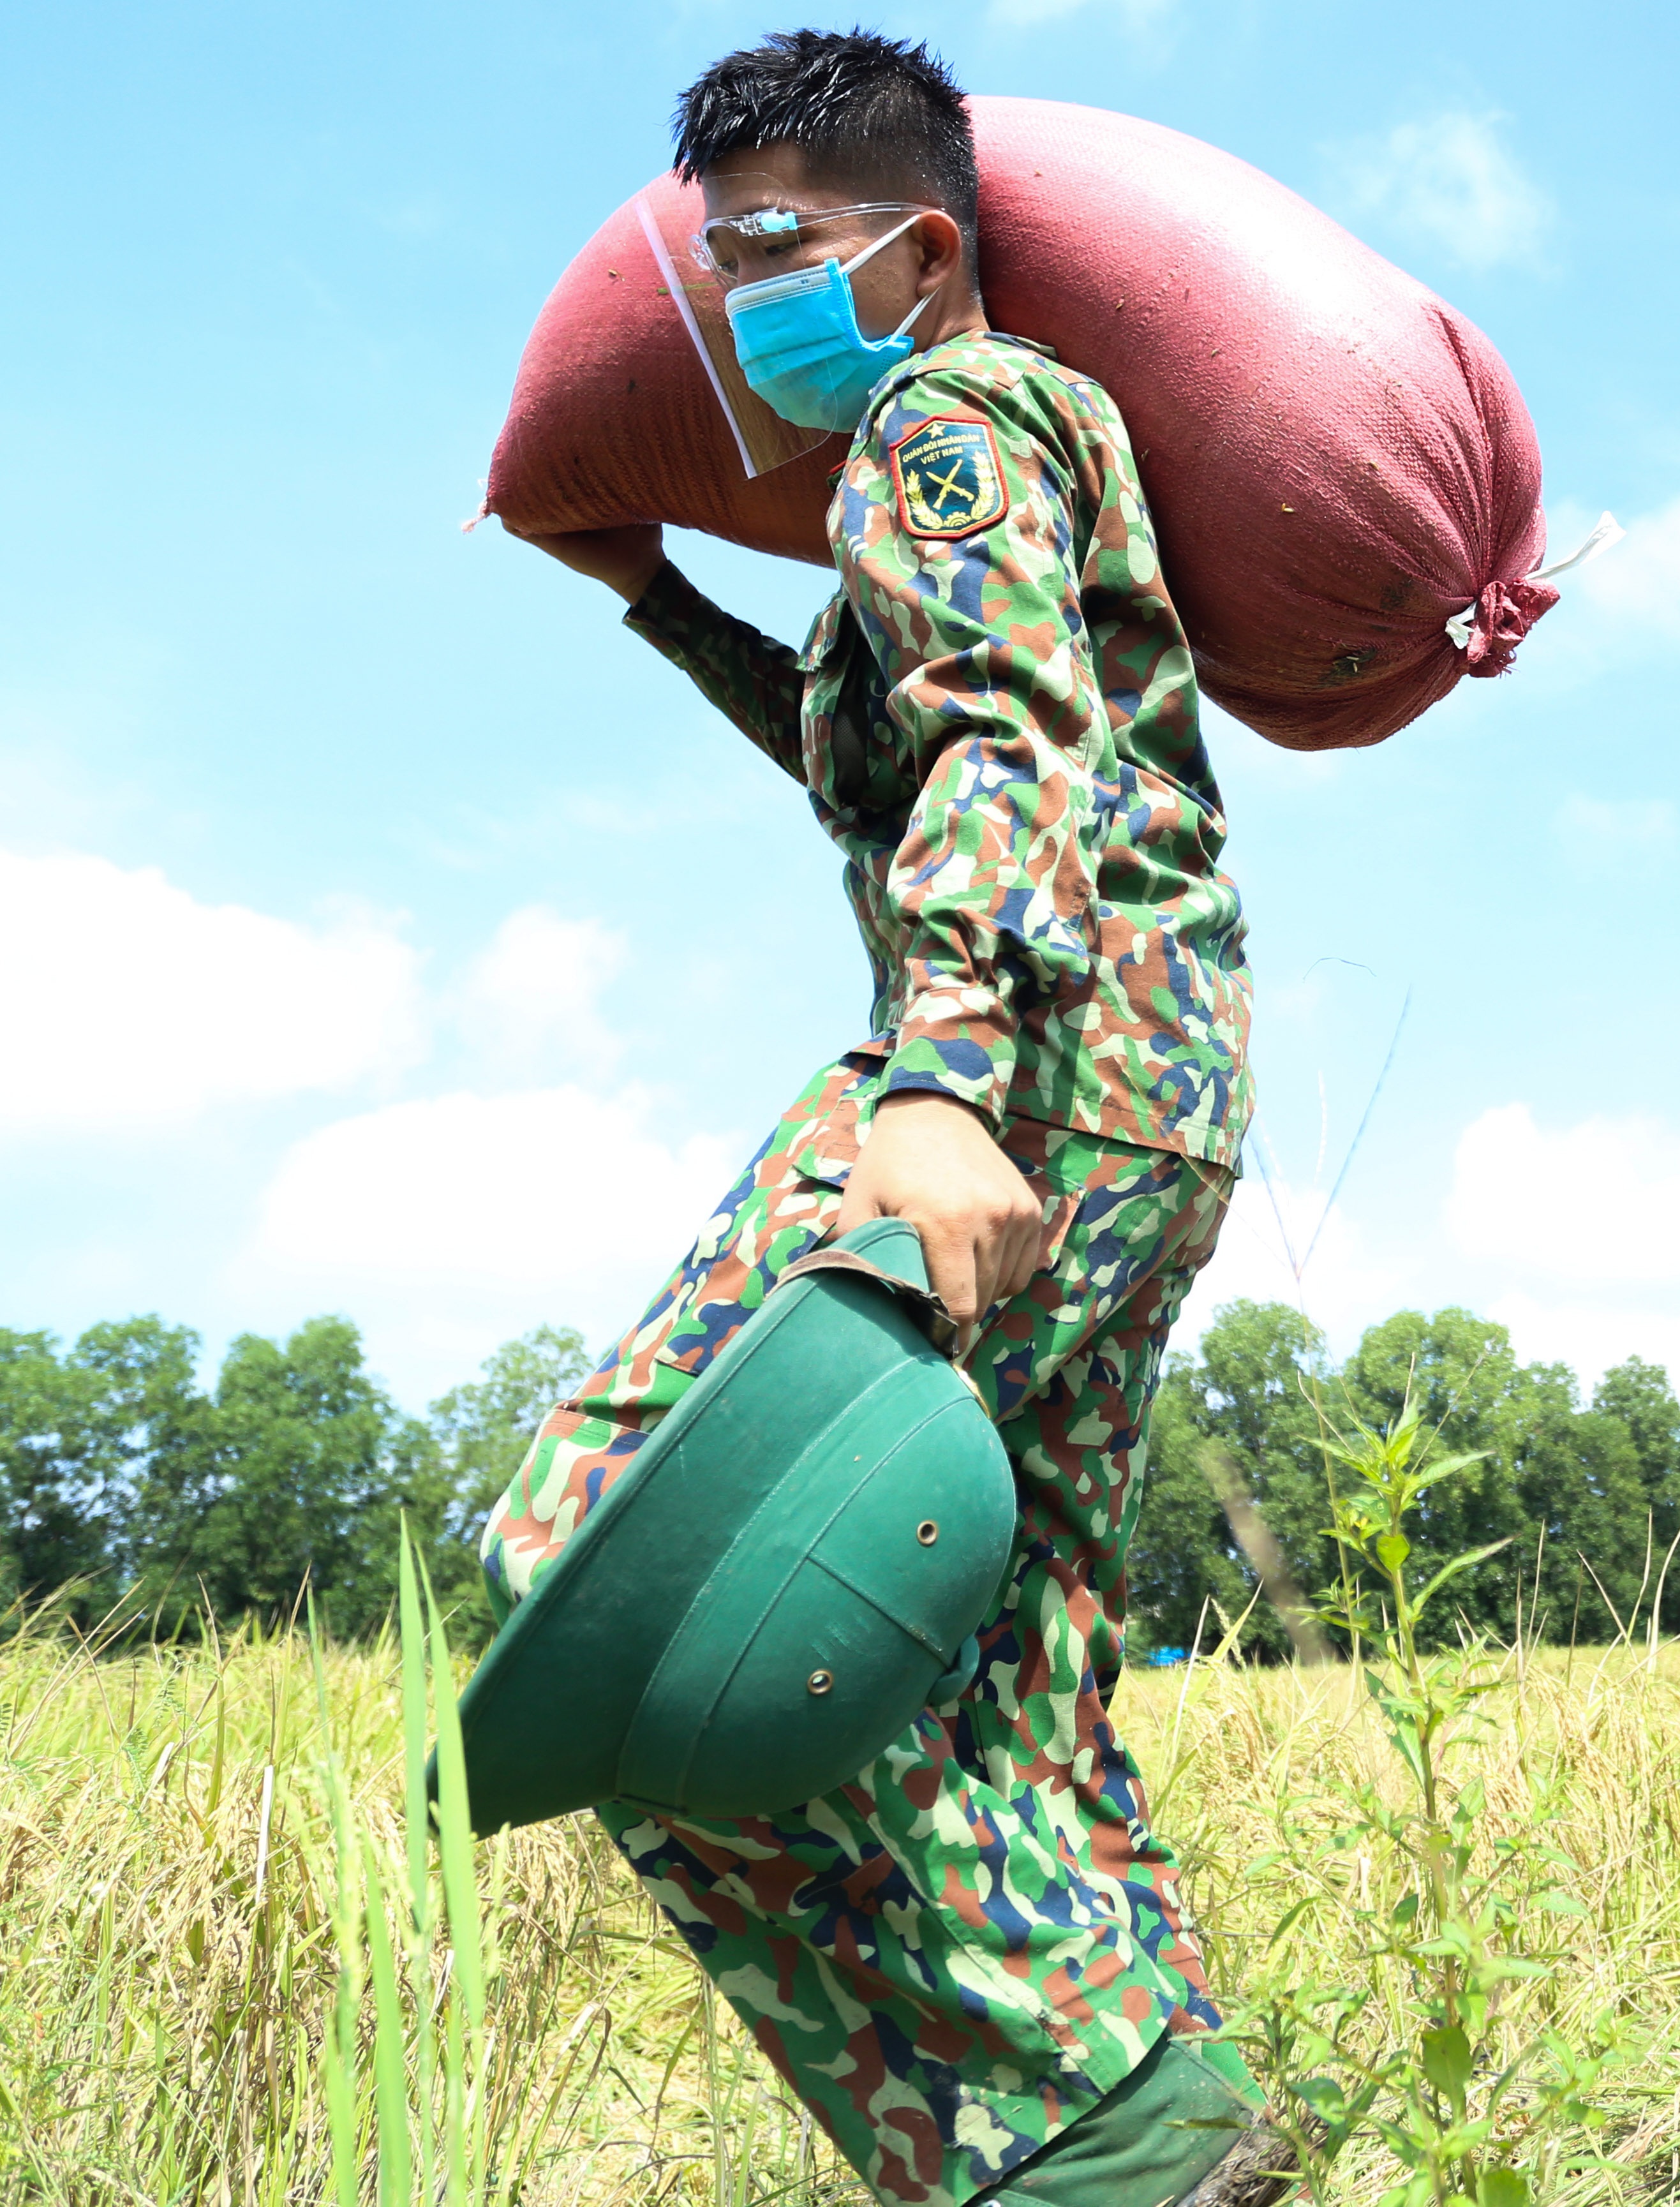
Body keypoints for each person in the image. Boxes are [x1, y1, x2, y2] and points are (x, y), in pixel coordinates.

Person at [489, 33, 1268, 2207]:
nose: (737, 302)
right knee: (1013, 1652)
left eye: (769, 249)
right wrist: (659, 600)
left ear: (915, 252)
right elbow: (894, 732)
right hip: (1147, 1077)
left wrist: (931, 1077)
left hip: (1017, 1071)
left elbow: (1000, 733)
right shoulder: (1002, 440)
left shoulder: (942, 415)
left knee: (618, 1579)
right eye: (715, 260)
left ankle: (1055, 2139)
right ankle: (1163, 2121)